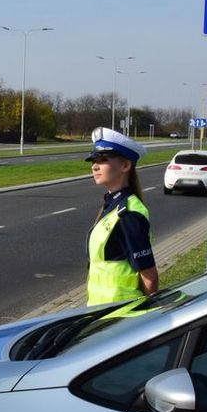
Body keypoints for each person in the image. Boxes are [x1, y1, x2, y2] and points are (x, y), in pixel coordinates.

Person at [84, 127, 158, 306]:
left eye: (102, 160)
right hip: (102, 312)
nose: (94, 166)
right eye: (94, 160)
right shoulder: (112, 205)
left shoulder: (129, 213)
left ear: (125, 166)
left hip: (122, 315)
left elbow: (149, 277)